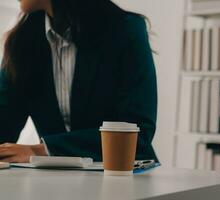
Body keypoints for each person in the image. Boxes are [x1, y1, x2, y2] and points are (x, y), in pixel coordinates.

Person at [0, 0, 158, 163]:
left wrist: (43, 149)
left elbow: (138, 132)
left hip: (125, 178)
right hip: (53, 183)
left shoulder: (126, 30)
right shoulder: (21, 43)